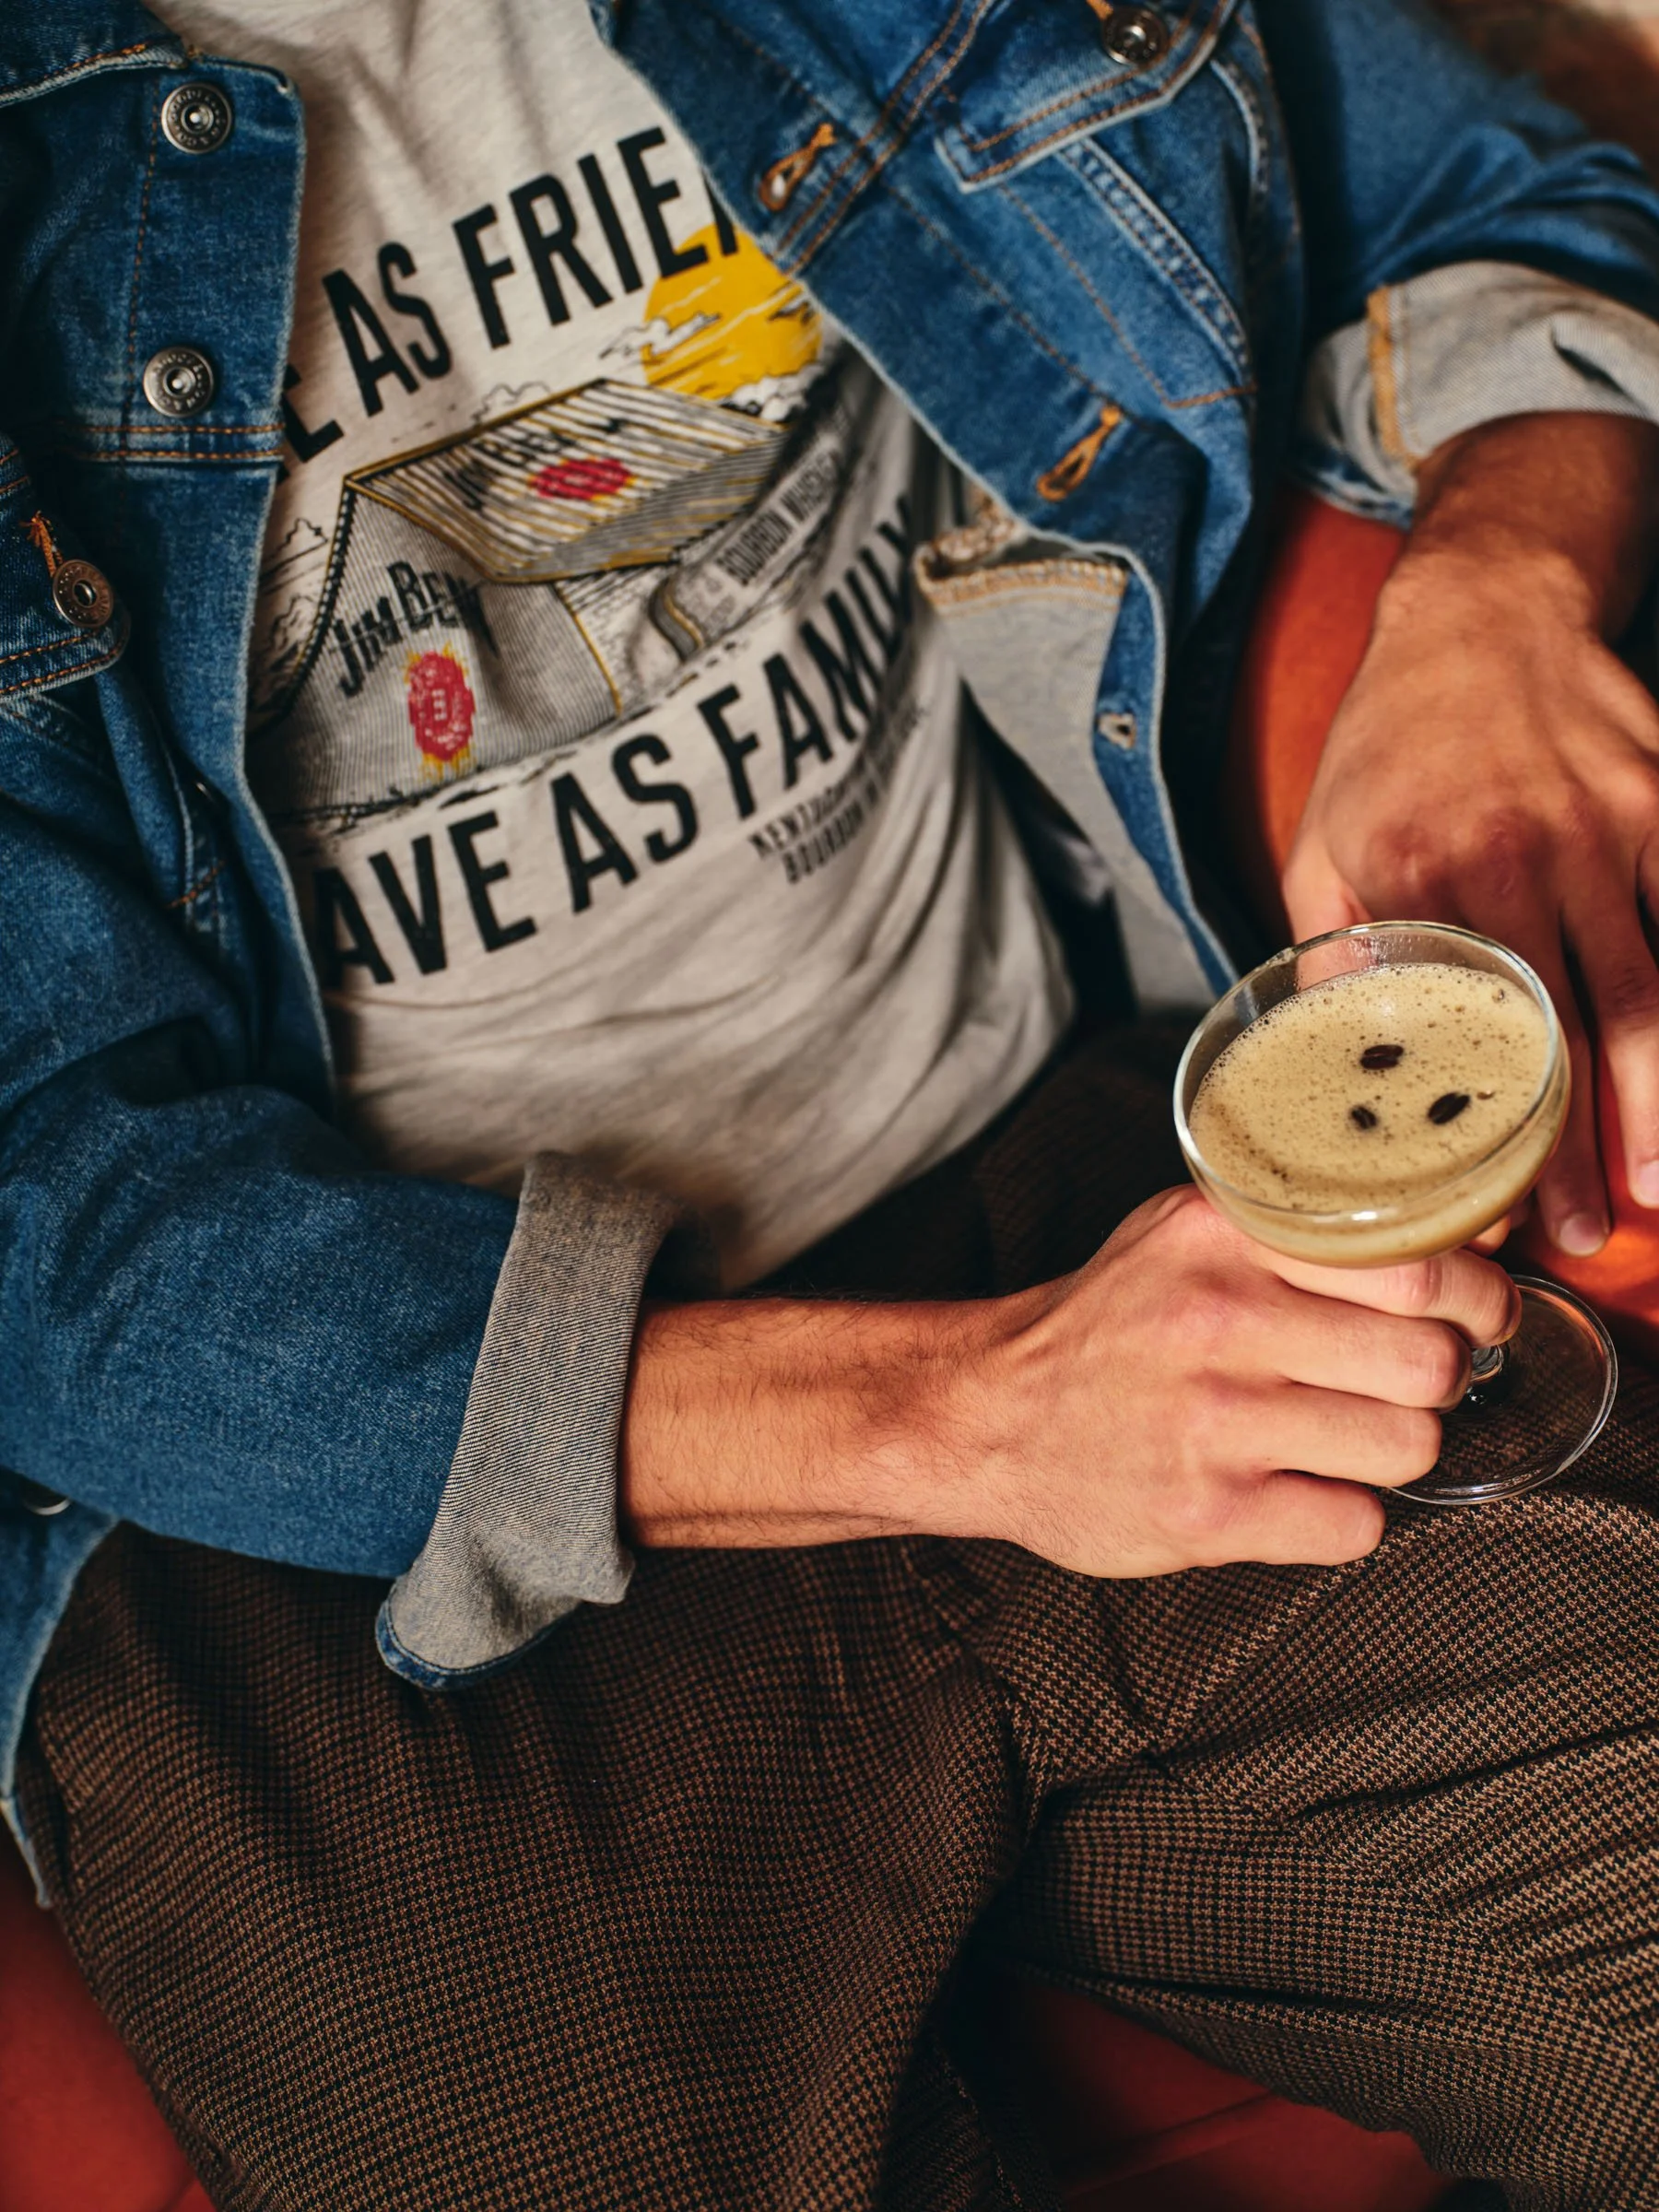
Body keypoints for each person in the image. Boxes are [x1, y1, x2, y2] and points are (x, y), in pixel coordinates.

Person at [8, 0, 1659, 2202]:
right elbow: (40, 1228)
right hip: (324, 1547)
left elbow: (1515, 194)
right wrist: (957, 1412)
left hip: (1083, 1205)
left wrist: (1497, 585)